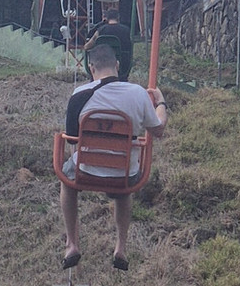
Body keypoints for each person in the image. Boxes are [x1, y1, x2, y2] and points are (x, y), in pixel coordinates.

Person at [59, 43, 168, 271]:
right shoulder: (138, 93)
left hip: (86, 171)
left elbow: (71, 140)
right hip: (124, 175)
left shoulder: (79, 95)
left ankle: (72, 243)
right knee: (122, 191)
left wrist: (84, 166)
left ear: (91, 67)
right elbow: (158, 130)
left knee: (67, 183)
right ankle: (121, 246)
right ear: (117, 65)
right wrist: (160, 103)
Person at [87, 7, 133, 81]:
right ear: (118, 17)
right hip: (122, 65)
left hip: (102, 66)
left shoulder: (101, 30)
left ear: (107, 18)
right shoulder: (126, 30)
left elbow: (88, 46)